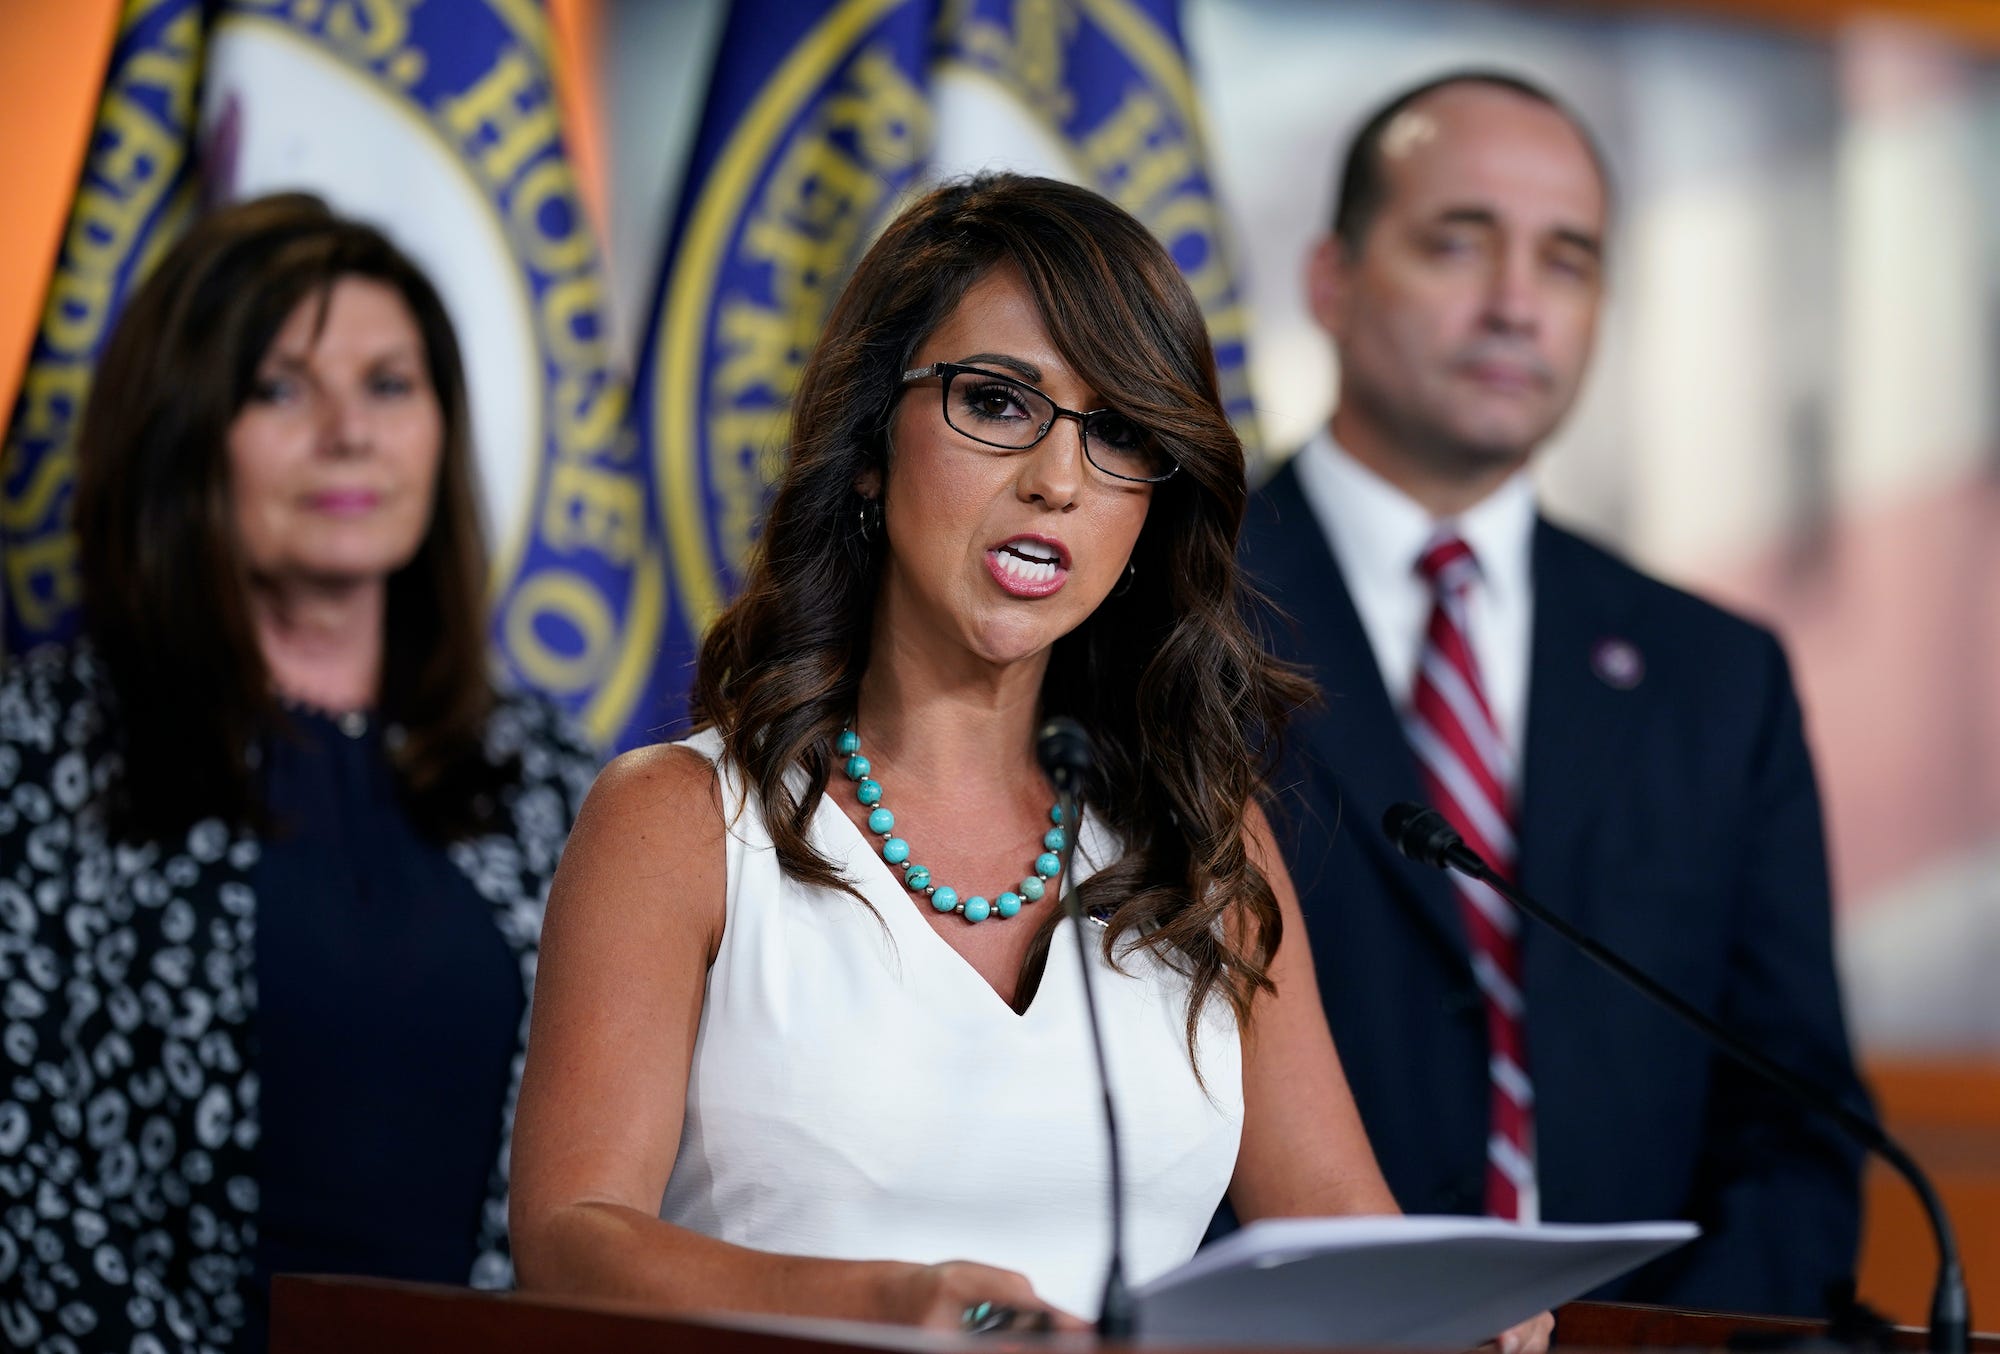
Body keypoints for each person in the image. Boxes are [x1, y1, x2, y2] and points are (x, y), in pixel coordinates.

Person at [508, 173, 1549, 1348]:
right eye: (997, 403)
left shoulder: (1206, 846)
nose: (1058, 478)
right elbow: (570, 1236)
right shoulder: (682, 823)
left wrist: (1461, 1304)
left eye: (1117, 433)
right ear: (866, 446)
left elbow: (1340, 1243)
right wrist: (889, 1305)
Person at [1240, 72, 1868, 1316]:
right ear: (1330, 280)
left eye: (1566, 260)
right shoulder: (1170, 613)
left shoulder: (1715, 674)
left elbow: (1793, 1117)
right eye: (1455, 241)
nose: (1514, 303)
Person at [0, 194, 598, 1352]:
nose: (349, 434)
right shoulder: (37, 754)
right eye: (281, 389)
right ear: (182, 433)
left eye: (389, 384)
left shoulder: (556, 777)